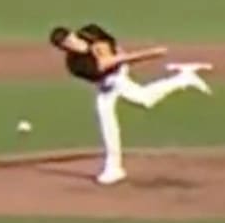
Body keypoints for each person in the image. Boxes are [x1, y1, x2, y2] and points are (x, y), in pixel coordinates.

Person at [49, 23, 213, 185]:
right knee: (126, 109)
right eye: (65, 45)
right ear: (63, 48)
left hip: (119, 74)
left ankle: (114, 169)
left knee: (136, 104)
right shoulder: (75, 64)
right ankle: (113, 168)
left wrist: (115, 51)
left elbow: (113, 45)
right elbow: (109, 62)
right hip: (107, 83)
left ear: (73, 34)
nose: (71, 44)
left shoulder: (90, 32)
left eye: (69, 39)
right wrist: (148, 54)